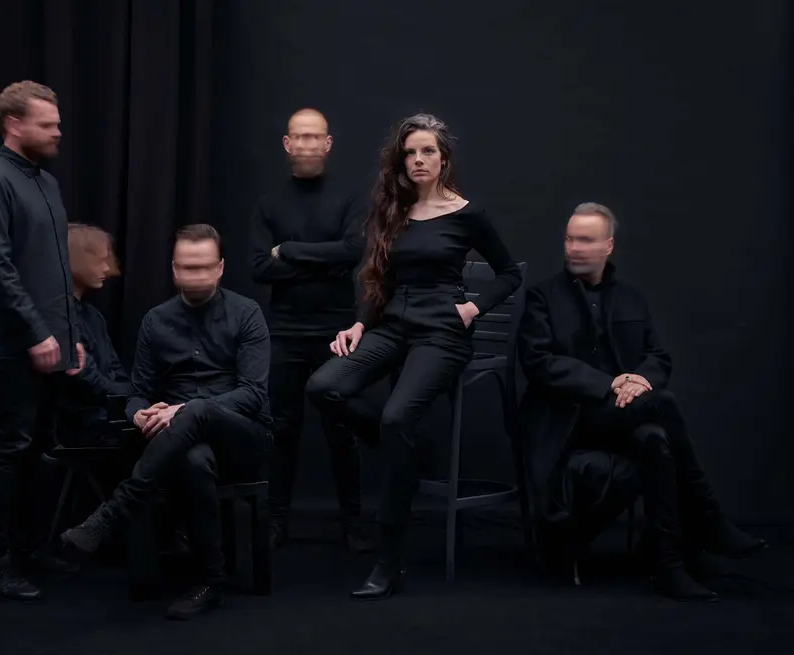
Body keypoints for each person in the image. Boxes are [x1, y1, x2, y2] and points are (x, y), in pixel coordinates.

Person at [305, 114, 522, 600]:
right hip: (392, 324)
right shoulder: (395, 209)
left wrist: (473, 308)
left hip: (442, 331)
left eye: (427, 151)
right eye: (410, 152)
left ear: (443, 159)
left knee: (397, 416)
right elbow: (380, 277)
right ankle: (402, 447)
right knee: (323, 386)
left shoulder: (467, 213)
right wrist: (360, 323)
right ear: (401, 161)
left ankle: (388, 560)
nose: (418, 160)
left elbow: (510, 274)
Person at [517, 202, 767, 601]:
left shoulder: (631, 298)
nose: (574, 248)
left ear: (608, 245)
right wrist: (611, 383)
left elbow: (657, 357)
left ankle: (668, 566)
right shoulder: (542, 297)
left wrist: (639, 381)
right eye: (569, 239)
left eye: (586, 240)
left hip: (625, 415)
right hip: (569, 419)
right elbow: (539, 362)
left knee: (655, 438)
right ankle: (709, 517)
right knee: (661, 404)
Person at [60, 224, 273, 621]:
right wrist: (137, 413)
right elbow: (137, 391)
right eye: (188, 268)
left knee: (196, 411)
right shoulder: (156, 321)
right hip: (184, 444)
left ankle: (111, 514)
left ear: (220, 267)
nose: (197, 276)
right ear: (174, 270)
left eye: (205, 267)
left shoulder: (247, 314)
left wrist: (184, 409)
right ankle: (211, 582)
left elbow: (252, 394)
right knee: (193, 458)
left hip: (243, 438)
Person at [0, 80, 85, 602]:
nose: (58, 132)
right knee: (10, 447)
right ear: (14, 124)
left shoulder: (48, 183)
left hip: (53, 342)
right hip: (15, 345)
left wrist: (71, 335)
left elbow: (56, 272)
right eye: (47, 124)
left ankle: (31, 550)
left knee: (41, 451)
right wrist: (37, 333)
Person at [251, 108, 372, 552]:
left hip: (337, 330)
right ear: (287, 144)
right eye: (299, 137)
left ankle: (353, 523)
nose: (306, 144)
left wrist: (289, 250)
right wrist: (325, 261)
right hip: (284, 330)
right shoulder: (269, 203)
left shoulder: (349, 198)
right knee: (282, 429)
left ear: (328, 143)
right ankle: (276, 521)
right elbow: (259, 267)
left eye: (314, 136)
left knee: (341, 430)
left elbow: (353, 251)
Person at [57, 223, 134, 447]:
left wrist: (130, 394)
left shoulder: (93, 316)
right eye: (99, 260)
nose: (107, 268)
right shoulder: (57, 318)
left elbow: (117, 373)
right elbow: (86, 383)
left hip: (105, 420)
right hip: (78, 430)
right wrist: (129, 395)